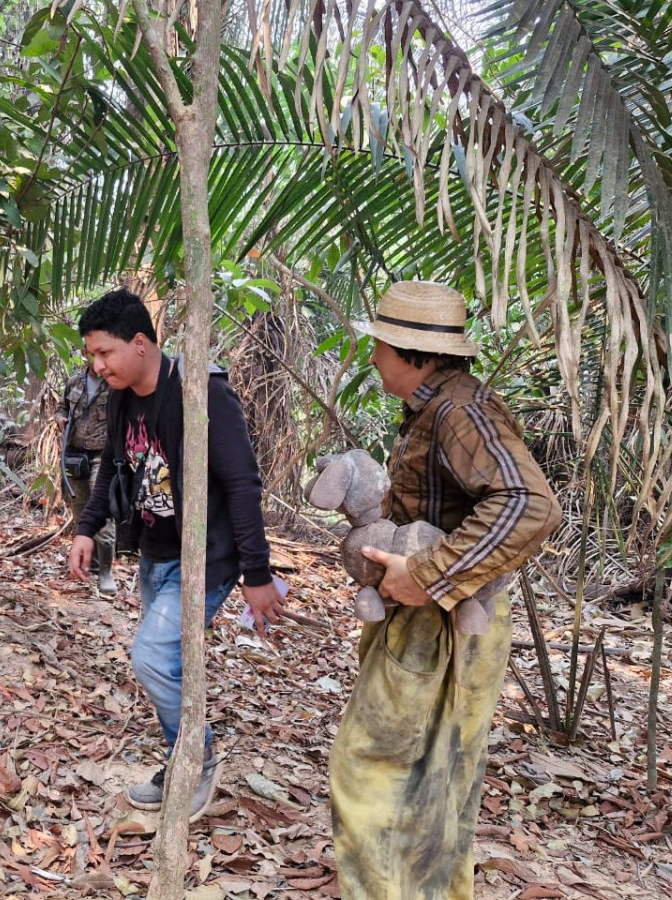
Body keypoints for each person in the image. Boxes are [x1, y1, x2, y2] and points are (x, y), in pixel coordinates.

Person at [329, 281, 562, 899]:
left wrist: (428, 574)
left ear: (415, 354)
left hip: (440, 629)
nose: (374, 355)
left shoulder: (459, 412)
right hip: (447, 622)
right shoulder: (441, 407)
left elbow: (532, 505)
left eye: (380, 344)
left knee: (371, 769)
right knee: (439, 780)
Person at [66, 288, 286, 822]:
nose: (97, 365)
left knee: (150, 657)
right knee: (172, 664)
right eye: (91, 355)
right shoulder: (121, 395)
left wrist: (257, 573)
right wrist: (87, 527)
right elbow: (113, 466)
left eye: (104, 353)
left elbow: (241, 484)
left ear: (140, 343)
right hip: (156, 550)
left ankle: (198, 760)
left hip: (206, 557)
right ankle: (179, 757)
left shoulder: (200, 390)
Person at [55, 360, 116, 596]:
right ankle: (92, 564)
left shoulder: (114, 384)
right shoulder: (74, 382)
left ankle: (106, 571)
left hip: (104, 455)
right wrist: (60, 419)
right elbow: (61, 407)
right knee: (81, 511)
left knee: (102, 511)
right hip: (75, 455)